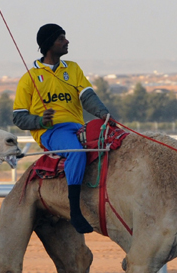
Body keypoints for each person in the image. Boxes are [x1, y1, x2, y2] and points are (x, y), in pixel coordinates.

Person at [12, 24, 114, 234]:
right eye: (61, 39)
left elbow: (87, 96)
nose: (66, 42)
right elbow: (19, 117)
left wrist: (103, 114)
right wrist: (41, 121)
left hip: (78, 126)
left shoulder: (73, 69)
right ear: (49, 44)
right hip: (52, 132)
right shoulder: (29, 79)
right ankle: (75, 211)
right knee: (77, 153)